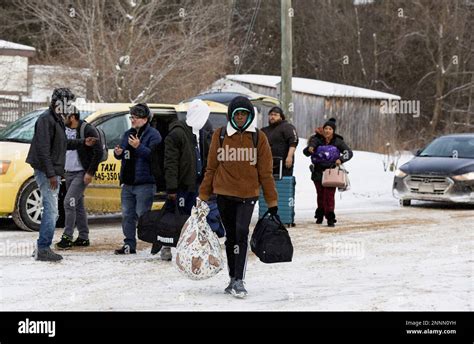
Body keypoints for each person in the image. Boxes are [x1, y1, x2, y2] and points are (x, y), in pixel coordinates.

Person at [198, 96, 278, 298]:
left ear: (250, 116)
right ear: (231, 116)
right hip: (224, 194)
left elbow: (266, 173)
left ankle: (240, 281)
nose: (241, 117)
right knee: (231, 237)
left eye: (244, 114)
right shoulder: (220, 135)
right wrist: (203, 195)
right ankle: (232, 278)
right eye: (237, 114)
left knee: (242, 233)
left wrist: (272, 201)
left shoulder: (258, 138)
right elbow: (211, 168)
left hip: (248, 195)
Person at [26, 88, 97, 261]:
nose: (69, 107)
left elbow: (62, 144)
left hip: (53, 171)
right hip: (46, 172)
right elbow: (43, 150)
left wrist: (82, 143)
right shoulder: (46, 120)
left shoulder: (56, 119)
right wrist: (51, 174)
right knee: (52, 212)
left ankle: (42, 247)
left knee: (52, 211)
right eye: (67, 103)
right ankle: (43, 248)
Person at [161, 99, 212, 260]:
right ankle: (167, 245)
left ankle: (193, 247)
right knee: (178, 217)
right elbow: (171, 162)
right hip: (182, 185)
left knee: (197, 217)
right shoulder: (177, 133)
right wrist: (172, 188)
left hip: (198, 184)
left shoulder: (202, 133)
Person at [113, 103, 162, 255]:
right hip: (128, 182)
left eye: (135, 117)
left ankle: (157, 240)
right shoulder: (128, 133)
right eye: (131, 117)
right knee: (127, 214)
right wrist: (118, 152)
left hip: (145, 183)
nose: (132, 120)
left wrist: (138, 146)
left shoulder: (154, 135)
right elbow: (121, 152)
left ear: (145, 119)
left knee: (143, 215)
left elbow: (155, 157)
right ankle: (129, 244)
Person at [55, 107, 102, 249]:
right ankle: (83, 237)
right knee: (78, 204)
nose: (62, 119)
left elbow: (98, 151)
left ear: (73, 117)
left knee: (69, 202)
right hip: (68, 172)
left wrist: (90, 172)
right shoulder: (63, 130)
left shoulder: (87, 129)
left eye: (65, 116)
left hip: (81, 173)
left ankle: (67, 237)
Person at [303, 118, 353, 227]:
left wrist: (341, 159)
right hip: (317, 171)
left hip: (331, 171)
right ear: (323, 129)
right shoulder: (316, 139)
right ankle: (320, 214)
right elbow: (305, 152)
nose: (327, 130)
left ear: (333, 131)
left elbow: (349, 152)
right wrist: (310, 149)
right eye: (326, 128)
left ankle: (330, 217)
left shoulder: (338, 141)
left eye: (330, 129)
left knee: (329, 195)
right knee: (320, 194)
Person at [261, 106, 299, 176]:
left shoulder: (287, 127)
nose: (272, 117)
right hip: (267, 165)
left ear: (281, 117)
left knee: (282, 185)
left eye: (275, 115)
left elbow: (294, 141)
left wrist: (289, 156)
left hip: (283, 165)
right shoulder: (264, 130)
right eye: (271, 114)